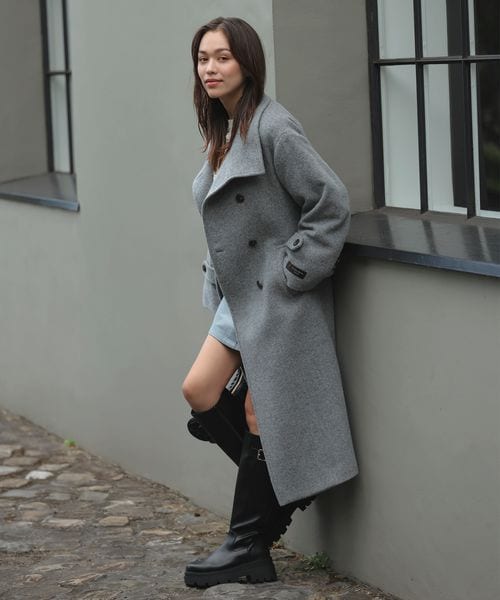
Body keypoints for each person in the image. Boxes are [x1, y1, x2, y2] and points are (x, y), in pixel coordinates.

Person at [181, 16, 358, 588]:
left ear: (247, 63)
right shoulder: (224, 126)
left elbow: (330, 202)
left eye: (222, 58)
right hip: (240, 297)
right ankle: (285, 484)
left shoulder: (275, 128)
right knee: (200, 392)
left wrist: (293, 270)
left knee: (260, 412)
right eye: (203, 58)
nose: (210, 68)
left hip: (277, 295)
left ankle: (247, 544)